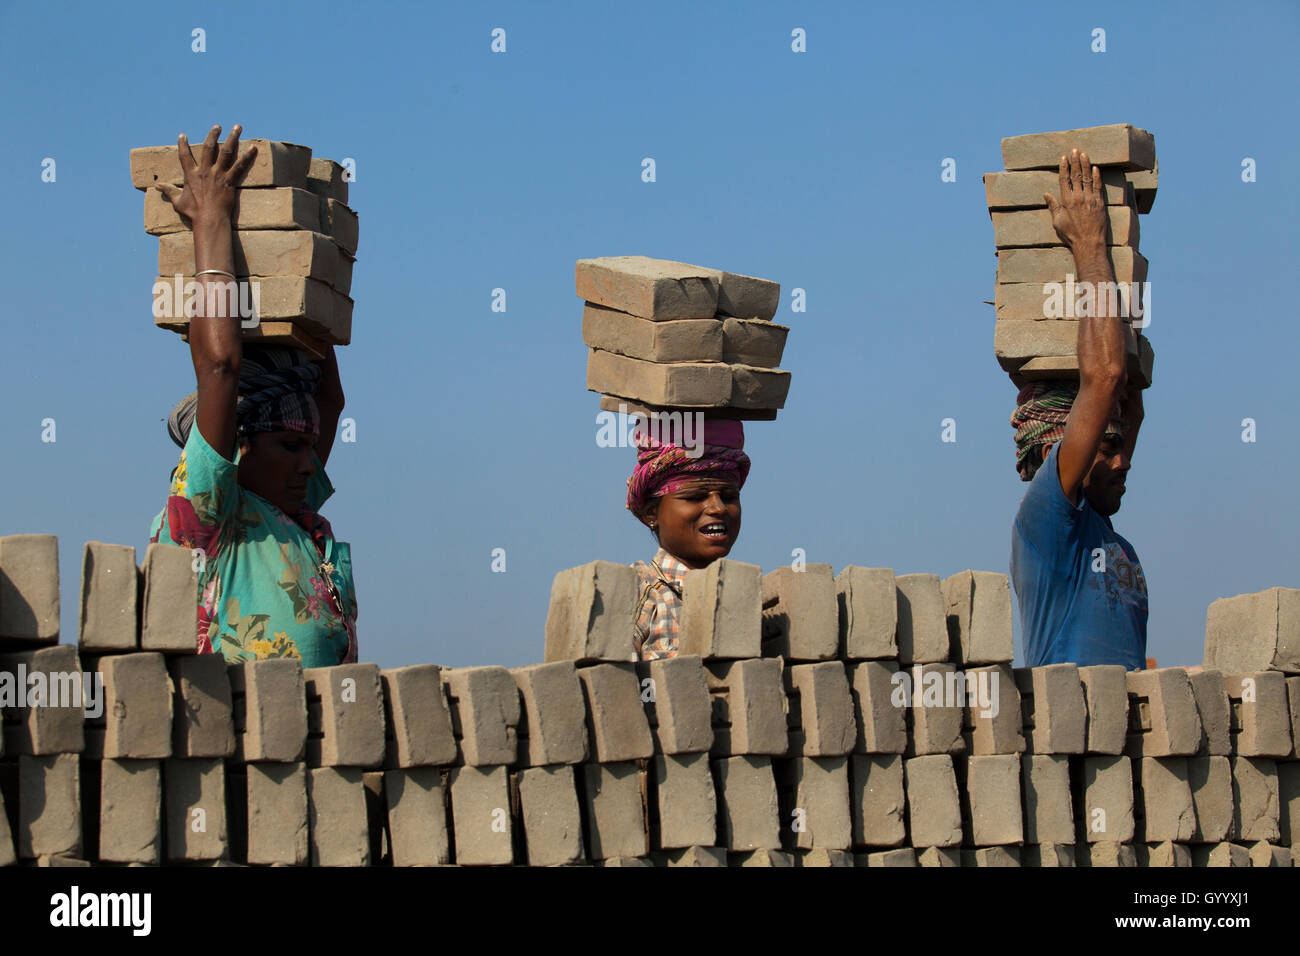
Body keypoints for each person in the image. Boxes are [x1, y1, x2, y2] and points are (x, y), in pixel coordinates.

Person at [148, 124, 357, 667]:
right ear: (237, 446)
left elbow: (330, 402)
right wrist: (213, 223)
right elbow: (220, 367)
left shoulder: (297, 518)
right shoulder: (212, 516)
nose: (311, 466)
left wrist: (308, 288)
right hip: (238, 748)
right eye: (290, 447)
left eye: (307, 449)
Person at [1010, 148, 1147, 670]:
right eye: (1107, 447)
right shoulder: (1046, 524)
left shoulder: (1119, 547)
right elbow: (1106, 375)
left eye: (1117, 445)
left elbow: (1123, 390)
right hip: (1074, 750)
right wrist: (1090, 247)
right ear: (1055, 448)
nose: (1125, 460)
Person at [626, 415, 750, 660]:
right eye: (695, 497)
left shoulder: (747, 598)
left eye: (728, 496)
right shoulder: (638, 592)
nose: (718, 508)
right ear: (652, 512)